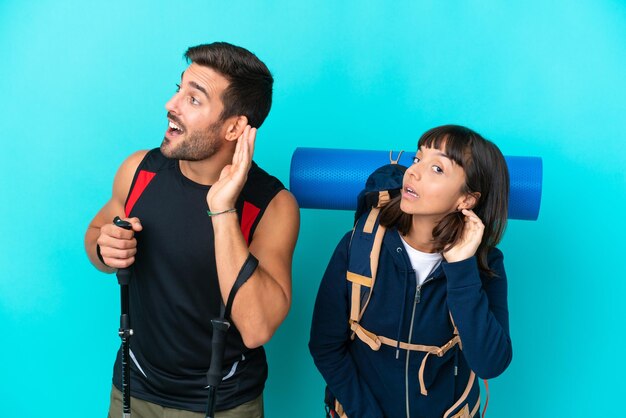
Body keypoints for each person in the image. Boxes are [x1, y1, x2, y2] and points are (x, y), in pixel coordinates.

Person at [84, 42, 300, 418]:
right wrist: (106, 249)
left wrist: (222, 210)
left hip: (225, 402)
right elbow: (96, 232)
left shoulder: (273, 206)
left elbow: (257, 328)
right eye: (179, 89)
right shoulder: (140, 170)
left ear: (234, 127)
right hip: (132, 389)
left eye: (194, 99)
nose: (172, 104)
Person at [309, 125, 512, 418]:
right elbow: (325, 347)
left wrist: (461, 268)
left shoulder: (484, 265)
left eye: (437, 169)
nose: (413, 172)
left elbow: (490, 364)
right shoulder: (359, 246)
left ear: (466, 200)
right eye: (417, 159)